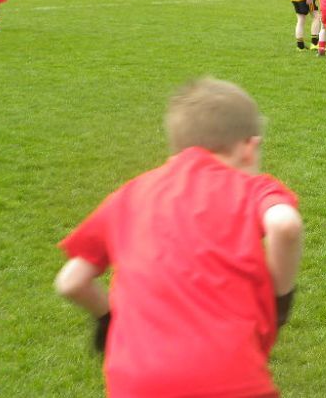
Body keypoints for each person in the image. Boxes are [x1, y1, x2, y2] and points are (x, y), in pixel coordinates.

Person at [54, 78, 303, 398]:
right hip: (230, 379)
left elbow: (71, 282)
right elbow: (285, 224)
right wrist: (280, 300)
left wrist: (108, 318)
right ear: (249, 148)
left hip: (137, 384)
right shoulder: (252, 187)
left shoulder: (128, 195)